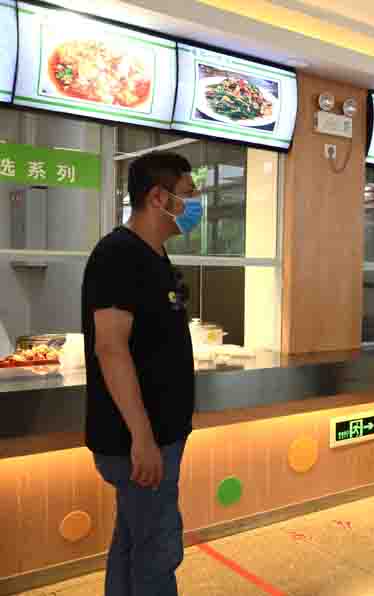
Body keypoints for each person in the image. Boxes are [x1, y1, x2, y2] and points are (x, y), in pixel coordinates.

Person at [82, 152, 203, 596]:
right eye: (188, 193)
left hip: (158, 436)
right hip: (139, 442)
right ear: (158, 197)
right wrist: (142, 437)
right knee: (157, 552)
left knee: (133, 544)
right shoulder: (119, 255)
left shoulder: (155, 256)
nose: (195, 204)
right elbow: (110, 348)